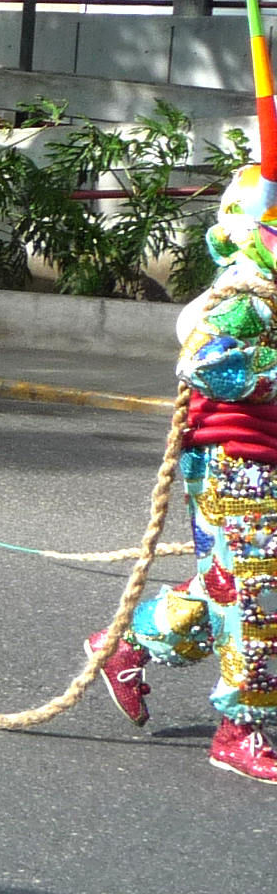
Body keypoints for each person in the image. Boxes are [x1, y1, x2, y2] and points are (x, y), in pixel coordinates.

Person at [87, 164, 277, 782]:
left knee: (227, 584)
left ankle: (130, 644)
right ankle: (239, 728)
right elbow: (206, 362)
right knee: (256, 598)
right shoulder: (247, 294)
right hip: (238, 464)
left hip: (260, 462)